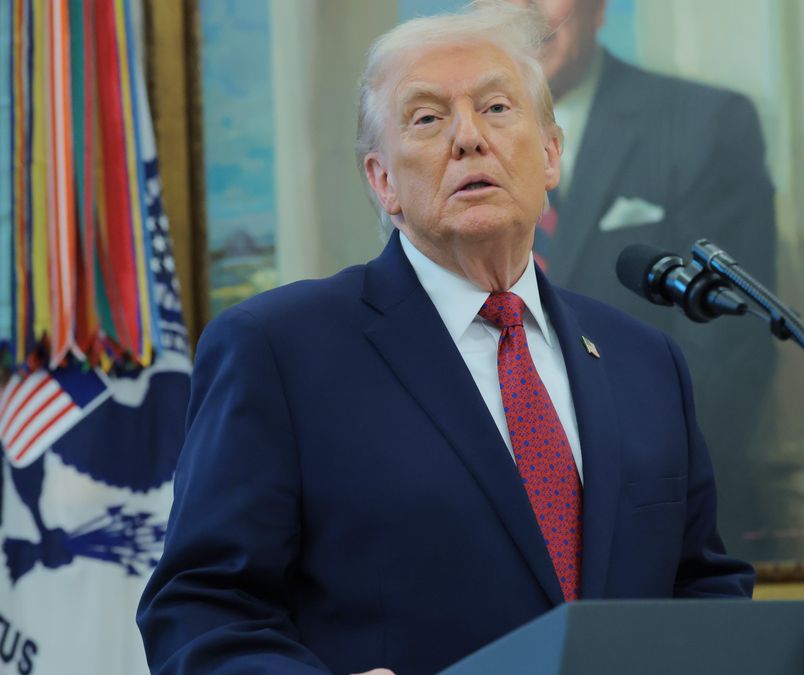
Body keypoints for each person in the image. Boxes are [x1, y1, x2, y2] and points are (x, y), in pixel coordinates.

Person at [135, 3, 753, 674]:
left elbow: (703, 589)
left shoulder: (644, 360)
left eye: (496, 108)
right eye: (428, 118)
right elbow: (201, 611)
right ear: (383, 181)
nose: (468, 138)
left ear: (549, 155)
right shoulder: (277, 351)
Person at [519, 0, 779, 557]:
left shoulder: (705, 124)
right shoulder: (456, 149)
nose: (524, 10)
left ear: (597, 8)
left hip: (662, 525)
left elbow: (728, 354)